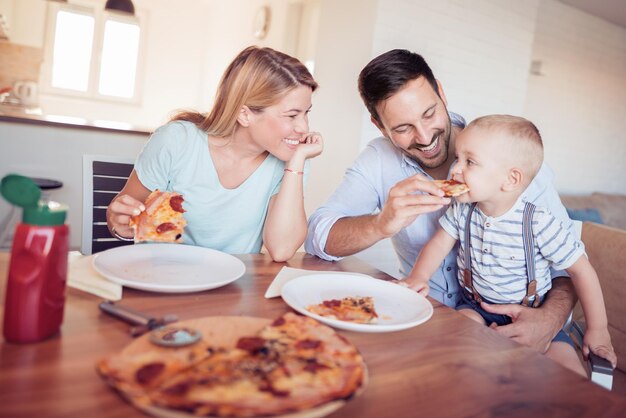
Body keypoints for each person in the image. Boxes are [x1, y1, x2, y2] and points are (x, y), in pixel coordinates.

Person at [305, 49, 577, 353]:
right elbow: (318, 237)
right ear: (379, 126)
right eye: (403, 128)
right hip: (425, 321)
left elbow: (567, 267)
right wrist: (381, 224)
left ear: (441, 93)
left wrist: (549, 321)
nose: (423, 137)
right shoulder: (379, 160)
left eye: (429, 114)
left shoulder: (510, 156)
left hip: (523, 326)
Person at [402, 115, 616, 374]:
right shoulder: (463, 209)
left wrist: (598, 329)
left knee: (570, 373)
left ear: (511, 179)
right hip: (476, 308)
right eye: (458, 158)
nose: (455, 169)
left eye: (469, 162)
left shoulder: (538, 222)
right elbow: (439, 243)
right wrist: (418, 277)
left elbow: (581, 270)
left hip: (533, 313)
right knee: (454, 339)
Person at [107, 46, 323, 262]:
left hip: (234, 288)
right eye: (292, 115)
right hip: (164, 280)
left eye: (306, 113)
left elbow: (281, 250)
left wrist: (297, 162)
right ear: (244, 115)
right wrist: (121, 224)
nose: (304, 127)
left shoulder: (290, 160)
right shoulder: (177, 141)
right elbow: (120, 216)